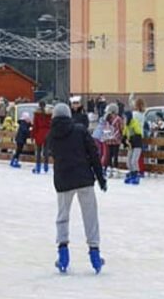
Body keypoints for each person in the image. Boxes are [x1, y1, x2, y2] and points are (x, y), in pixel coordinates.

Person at [48, 102, 108, 273]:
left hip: (63, 180)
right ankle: (95, 254)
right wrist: (100, 177)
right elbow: (94, 154)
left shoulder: (52, 135)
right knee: (90, 216)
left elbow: (50, 152)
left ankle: (63, 254)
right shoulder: (80, 130)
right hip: (84, 179)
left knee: (62, 216)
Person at [123, 99, 147, 185]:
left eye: (125, 118)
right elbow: (125, 134)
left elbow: (138, 133)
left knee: (134, 160)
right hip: (131, 144)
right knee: (128, 161)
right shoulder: (127, 125)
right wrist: (125, 140)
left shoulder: (135, 122)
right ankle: (132, 173)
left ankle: (136, 174)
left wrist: (131, 140)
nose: (124, 120)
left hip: (136, 143)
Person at [99, 104, 124, 177]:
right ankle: (115, 169)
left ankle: (109, 169)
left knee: (109, 155)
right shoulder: (118, 119)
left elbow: (104, 127)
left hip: (108, 139)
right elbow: (121, 128)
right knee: (115, 155)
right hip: (116, 140)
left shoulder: (107, 118)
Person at [32, 101, 53, 174]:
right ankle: (46, 166)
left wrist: (33, 135)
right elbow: (51, 124)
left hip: (39, 133)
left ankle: (38, 167)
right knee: (46, 151)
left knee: (38, 151)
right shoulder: (49, 114)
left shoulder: (37, 114)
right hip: (47, 133)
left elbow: (35, 126)